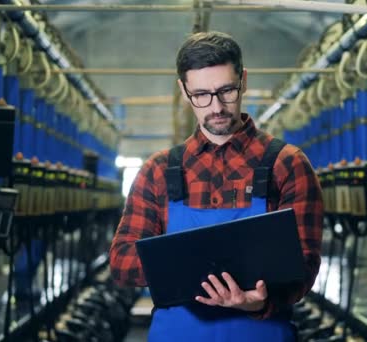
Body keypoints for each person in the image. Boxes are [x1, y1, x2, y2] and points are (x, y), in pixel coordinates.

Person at [110, 31, 323, 341]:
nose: (217, 106)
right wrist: (196, 269)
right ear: (184, 90)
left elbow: (304, 264)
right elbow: (121, 260)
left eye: (227, 91)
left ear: (244, 80)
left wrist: (258, 302)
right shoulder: (158, 171)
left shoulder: (287, 165)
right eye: (201, 95)